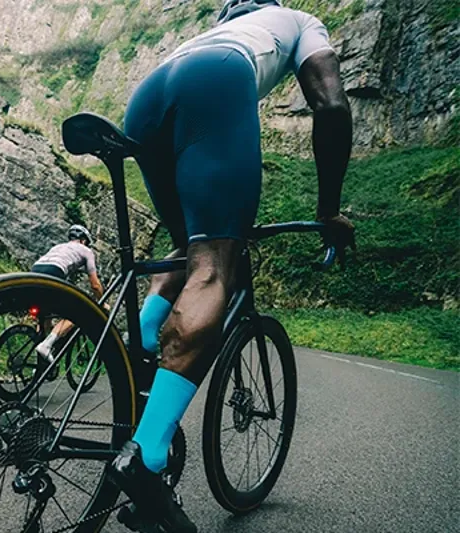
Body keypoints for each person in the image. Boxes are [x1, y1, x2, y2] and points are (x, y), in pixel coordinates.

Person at [107, 1, 357, 531]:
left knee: (188, 245)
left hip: (148, 93)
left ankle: (146, 338)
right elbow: (331, 105)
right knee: (213, 267)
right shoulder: (296, 21)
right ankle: (146, 461)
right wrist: (328, 208)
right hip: (215, 81)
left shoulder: (219, 28)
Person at [31, 224, 105, 359]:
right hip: (54, 272)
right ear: (84, 240)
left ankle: (39, 364)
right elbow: (95, 285)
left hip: (34, 272)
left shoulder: (58, 247)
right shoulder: (86, 251)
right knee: (78, 313)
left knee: (44, 317)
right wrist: (102, 301)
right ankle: (46, 345)